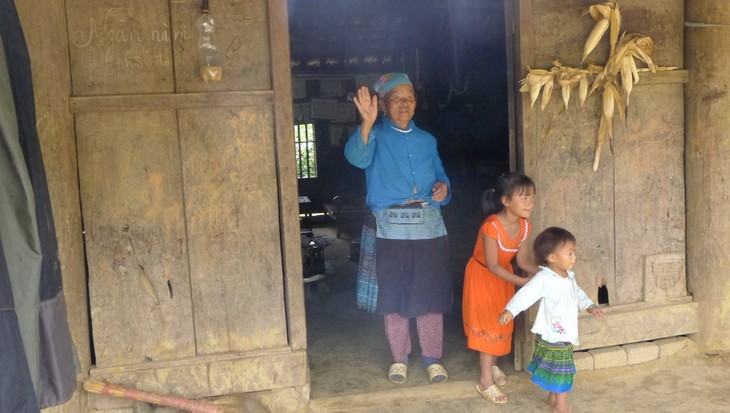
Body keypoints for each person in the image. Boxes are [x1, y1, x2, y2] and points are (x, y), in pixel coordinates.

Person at [345, 72, 452, 385]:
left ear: (415, 104)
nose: (403, 104)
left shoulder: (427, 140)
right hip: (390, 228)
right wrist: (366, 122)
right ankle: (400, 358)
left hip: (430, 225)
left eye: (408, 98)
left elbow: (442, 176)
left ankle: (433, 358)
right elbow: (356, 158)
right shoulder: (375, 136)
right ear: (385, 106)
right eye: (396, 99)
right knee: (395, 294)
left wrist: (444, 189)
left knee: (430, 293)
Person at [499, 227, 606, 413]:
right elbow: (526, 294)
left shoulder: (568, 277)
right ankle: (561, 406)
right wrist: (510, 310)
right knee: (563, 372)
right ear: (552, 257)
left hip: (562, 333)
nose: (574, 257)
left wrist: (590, 306)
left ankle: (552, 397)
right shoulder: (544, 279)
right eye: (570, 253)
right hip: (555, 334)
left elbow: (577, 293)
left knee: (555, 369)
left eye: (574, 253)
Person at [462, 172, 539, 404]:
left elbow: (523, 262)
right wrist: (524, 283)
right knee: (489, 325)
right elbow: (494, 266)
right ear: (506, 201)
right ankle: (485, 381)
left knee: (501, 322)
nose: (530, 203)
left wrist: (546, 274)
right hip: (484, 277)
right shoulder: (492, 227)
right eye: (524, 198)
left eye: (532, 197)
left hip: (504, 278)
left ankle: (492, 365)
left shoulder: (524, 225)